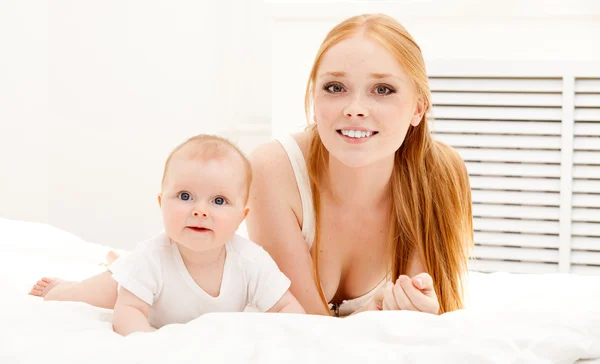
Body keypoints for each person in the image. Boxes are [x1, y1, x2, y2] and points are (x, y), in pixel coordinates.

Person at [245, 13, 473, 317]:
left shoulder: (438, 175)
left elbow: (428, 313)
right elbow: (303, 330)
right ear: (314, 100)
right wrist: (370, 316)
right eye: (335, 88)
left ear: (418, 108)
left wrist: (419, 314)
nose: (355, 110)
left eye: (382, 90)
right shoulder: (271, 170)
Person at [29, 135, 304, 335]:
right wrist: (150, 344)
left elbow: (285, 306)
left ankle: (116, 260)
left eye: (218, 201)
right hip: (135, 279)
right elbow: (129, 312)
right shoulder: (152, 257)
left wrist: (295, 336)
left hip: (146, 275)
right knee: (88, 292)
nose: (200, 211)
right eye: (185, 196)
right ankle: (65, 287)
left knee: (130, 269)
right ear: (162, 203)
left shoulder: (251, 261)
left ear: (241, 217)